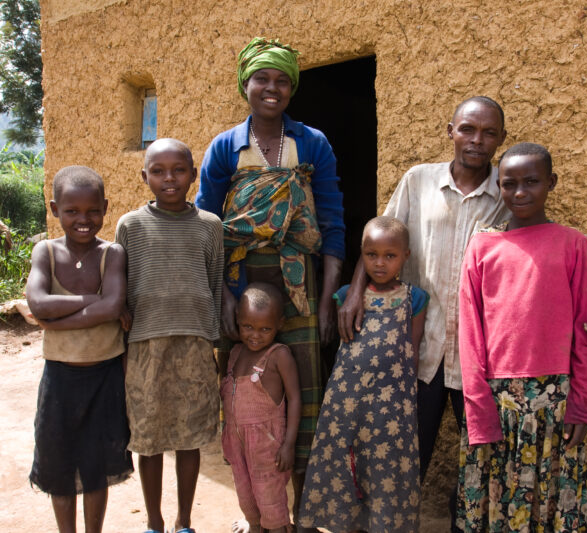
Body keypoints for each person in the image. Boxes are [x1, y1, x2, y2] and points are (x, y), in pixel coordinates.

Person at [337, 97, 587, 489]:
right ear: (450, 131)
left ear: (502, 138)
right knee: (403, 457)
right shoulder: (418, 180)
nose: (476, 140)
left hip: (481, 360)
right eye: (467, 129)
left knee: (484, 468)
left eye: (489, 133)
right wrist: (355, 292)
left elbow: (540, 269)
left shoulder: (510, 194)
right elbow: (380, 237)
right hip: (419, 346)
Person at [194, 37, 345, 529]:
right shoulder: (225, 147)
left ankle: (302, 516)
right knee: (247, 402)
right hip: (240, 286)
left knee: (302, 399)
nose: (272, 88)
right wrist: (221, 297)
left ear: (292, 87)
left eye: (282, 80)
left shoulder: (312, 144)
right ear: (245, 84)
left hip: (298, 286)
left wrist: (325, 301)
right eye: (262, 79)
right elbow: (206, 226)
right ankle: (259, 512)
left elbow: (333, 223)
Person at [456, 142, 587, 530]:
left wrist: (581, 403)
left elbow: (584, 331)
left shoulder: (573, 244)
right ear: (498, 186)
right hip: (497, 397)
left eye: (532, 182)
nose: (519, 193)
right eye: (509, 183)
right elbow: (470, 330)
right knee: (496, 497)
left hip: (555, 398)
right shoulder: (484, 245)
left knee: (550, 496)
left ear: (551, 182)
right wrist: (478, 406)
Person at [115, 138, 223, 533]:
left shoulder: (210, 226)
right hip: (145, 345)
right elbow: (121, 287)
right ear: (144, 177)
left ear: (193, 175)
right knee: (148, 438)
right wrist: (123, 344)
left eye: (179, 170)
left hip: (194, 344)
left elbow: (214, 285)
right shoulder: (130, 225)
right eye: (158, 171)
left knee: (189, 437)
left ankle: (184, 521)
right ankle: (154, 521)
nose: (169, 178)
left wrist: (214, 342)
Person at [298, 216, 428, 533]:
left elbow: (411, 351)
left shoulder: (415, 298)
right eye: (372, 255)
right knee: (346, 461)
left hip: (392, 405)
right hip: (347, 401)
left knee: (384, 466)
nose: (380, 263)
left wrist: (403, 401)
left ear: (405, 256)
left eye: (390, 255)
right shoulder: (346, 297)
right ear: (362, 254)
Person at [25, 165, 133, 533]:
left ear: (105, 207)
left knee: (97, 465)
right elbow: (38, 302)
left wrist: (55, 321)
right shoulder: (46, 252)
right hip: (60, 377)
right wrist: (94, 300)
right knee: (59, 465)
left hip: (104, 375)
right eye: (72, 211)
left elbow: (113, 306)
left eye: (92, 211)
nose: (83, 220)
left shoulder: (111, 254)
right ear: (54, 209)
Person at [221, 282, 301, 533]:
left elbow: (295, 398)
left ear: (280, 324)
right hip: (237, 443)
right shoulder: (235, 353)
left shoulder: (279, 355)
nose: (255, 335)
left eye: (265, 329)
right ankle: (253, 526)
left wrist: (288, 444)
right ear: (238, 319)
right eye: (248, 327)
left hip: (267, 446)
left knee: (271, 502)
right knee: (246, 495)